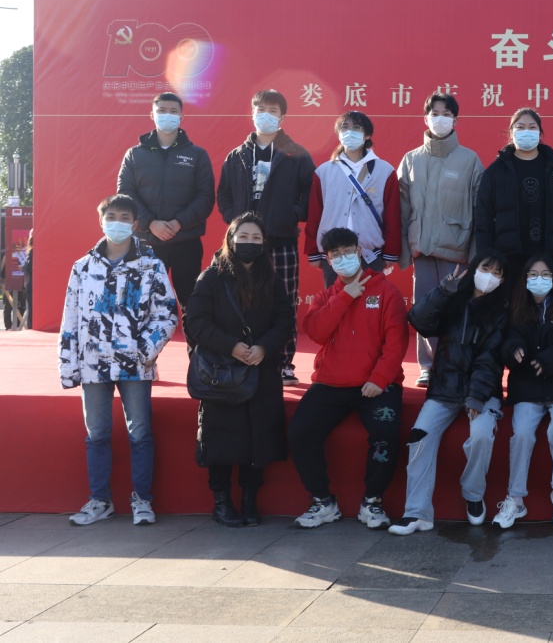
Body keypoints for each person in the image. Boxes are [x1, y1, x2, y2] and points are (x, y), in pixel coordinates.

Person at [59, 194, 178, 526]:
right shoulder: (83, 267)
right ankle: (100, 501)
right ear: (101, 221)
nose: (117, 223)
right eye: (111, 216)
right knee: (97, 433)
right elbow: (70, 319)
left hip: (135, 365)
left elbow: (167, 314)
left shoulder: (151, 264)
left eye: (124, 217)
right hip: (93, 364)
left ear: (135, 224)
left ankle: (142, 500)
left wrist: (144, 351)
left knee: (139, 433)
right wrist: (69, 366)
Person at [288, 227, 409, 530]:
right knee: (300, 432)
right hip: (331, 383)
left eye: (348, 251)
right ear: (328, 260)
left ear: (359, 251)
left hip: (376, 384)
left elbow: (396, 342)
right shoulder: (325, 297)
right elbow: (316, 331)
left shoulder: (387, 292)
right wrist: (345, 296)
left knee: (386, 436)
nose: (344, 258)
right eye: (336, 254)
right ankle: (323, 502)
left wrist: (379, 379)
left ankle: (372, 502)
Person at [183, 213, 293, 527]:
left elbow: (284, 320)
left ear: (264, 243)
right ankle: (221, 502)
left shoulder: (272, 278)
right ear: (230, 239)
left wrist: (263, 348)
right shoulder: (211, 277)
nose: (249, 243)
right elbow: (196, 322)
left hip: (261, 369)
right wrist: (231, 346)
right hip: (222, 371)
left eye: (256, 238)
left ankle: (249, 500)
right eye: (243, 236)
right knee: (220, 438)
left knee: (259, 438)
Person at [391, 251, 509, 535]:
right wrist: (443, 291)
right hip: (444, 387)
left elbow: (490, 358)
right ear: (474, 269)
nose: (490, 277)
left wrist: (476, 396)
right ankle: (417, 513)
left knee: (482, 434)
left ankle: (473, 493)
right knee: (420, 437)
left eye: (497, 273)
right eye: (486, 269)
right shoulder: (453, 297)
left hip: (483, 392)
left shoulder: (502, 310)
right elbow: (419, 320)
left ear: (503, 280)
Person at [217, 89, 316, 385]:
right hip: (243, 243)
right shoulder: (237, 155)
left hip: (280, 239)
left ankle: (283, 362)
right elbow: (223, 194)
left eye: (273, 111)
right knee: (241, 300)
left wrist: (289, 214)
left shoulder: (296, 154)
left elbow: (310, 194)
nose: (266, 115)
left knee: (283, 301)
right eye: (261, 110)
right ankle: (243, 357)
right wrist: (233, 219)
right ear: (252, 113)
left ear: (282, 117)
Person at [491, 254, 553, 530]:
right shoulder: (516, 308)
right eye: (533, 274)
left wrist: (549, 360)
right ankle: (515, 498)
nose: (538, 280)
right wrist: (514, 350)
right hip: (528, 386)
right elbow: (508, 339)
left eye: (545, 274)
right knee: (521, 433)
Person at [399, 93, 484, 386]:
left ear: (455, 120)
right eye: (434, 113)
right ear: (426, 118)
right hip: (422, 249)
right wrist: (403, 251)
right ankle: (428, 365)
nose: (440, 119)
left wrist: (475, 255)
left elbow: (480, 209)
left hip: (456, 250)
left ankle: (455, 363)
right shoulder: (411, 159)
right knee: (425, 307)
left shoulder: (470, 160)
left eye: (446, 114)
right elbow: (401, 208)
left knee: (456, 309)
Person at [116, 92, 216, 310]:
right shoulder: (134, 155)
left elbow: (206, 196)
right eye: (161, 111)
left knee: (192, 303)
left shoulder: (197, 155)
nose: (167, 115)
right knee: (141, 303)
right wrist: (150, 223)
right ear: (152, 115)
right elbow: (125, 194)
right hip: (146, 241)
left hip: (186, 241)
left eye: (173, 111)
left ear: (181, 116)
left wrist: (179, 222)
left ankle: (193, 335)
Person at [475, 108, 553, 275]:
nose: (526, 131)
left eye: (532, 127)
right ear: (511, 132)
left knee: (546, 292)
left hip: (548, 254)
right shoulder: (497, 170)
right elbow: (483, 215)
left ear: (540, 132)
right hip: (508, 256)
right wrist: (485, 255)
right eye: (520, 127)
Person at [305, 111, 400, 288]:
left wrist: (391, 252)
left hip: (370, 254)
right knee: (336, 302)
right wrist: (313, 252)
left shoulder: (385, 171)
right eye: (345, 127)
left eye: (357, 128)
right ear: (338, 134)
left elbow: (392, 215)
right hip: (334, 254)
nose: (350, 132)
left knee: (371, 302)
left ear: (367, 135)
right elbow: (315, 214)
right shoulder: (323, 172)